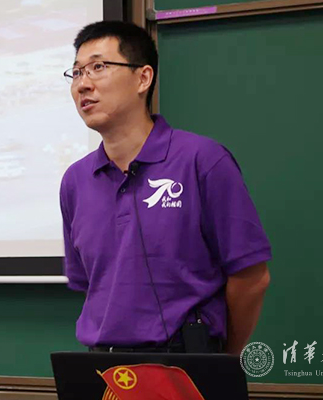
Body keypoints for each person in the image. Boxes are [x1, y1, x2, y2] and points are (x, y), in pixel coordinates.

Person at [59, 21, 271, 354]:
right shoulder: (75, 180)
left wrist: (222, 359)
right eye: (76, 72)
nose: (83, 84)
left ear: (143, 78)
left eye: (98, 67)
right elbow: (91, 286)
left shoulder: (202, 160)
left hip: (187, 361)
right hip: (103, 367)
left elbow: (251, 278)